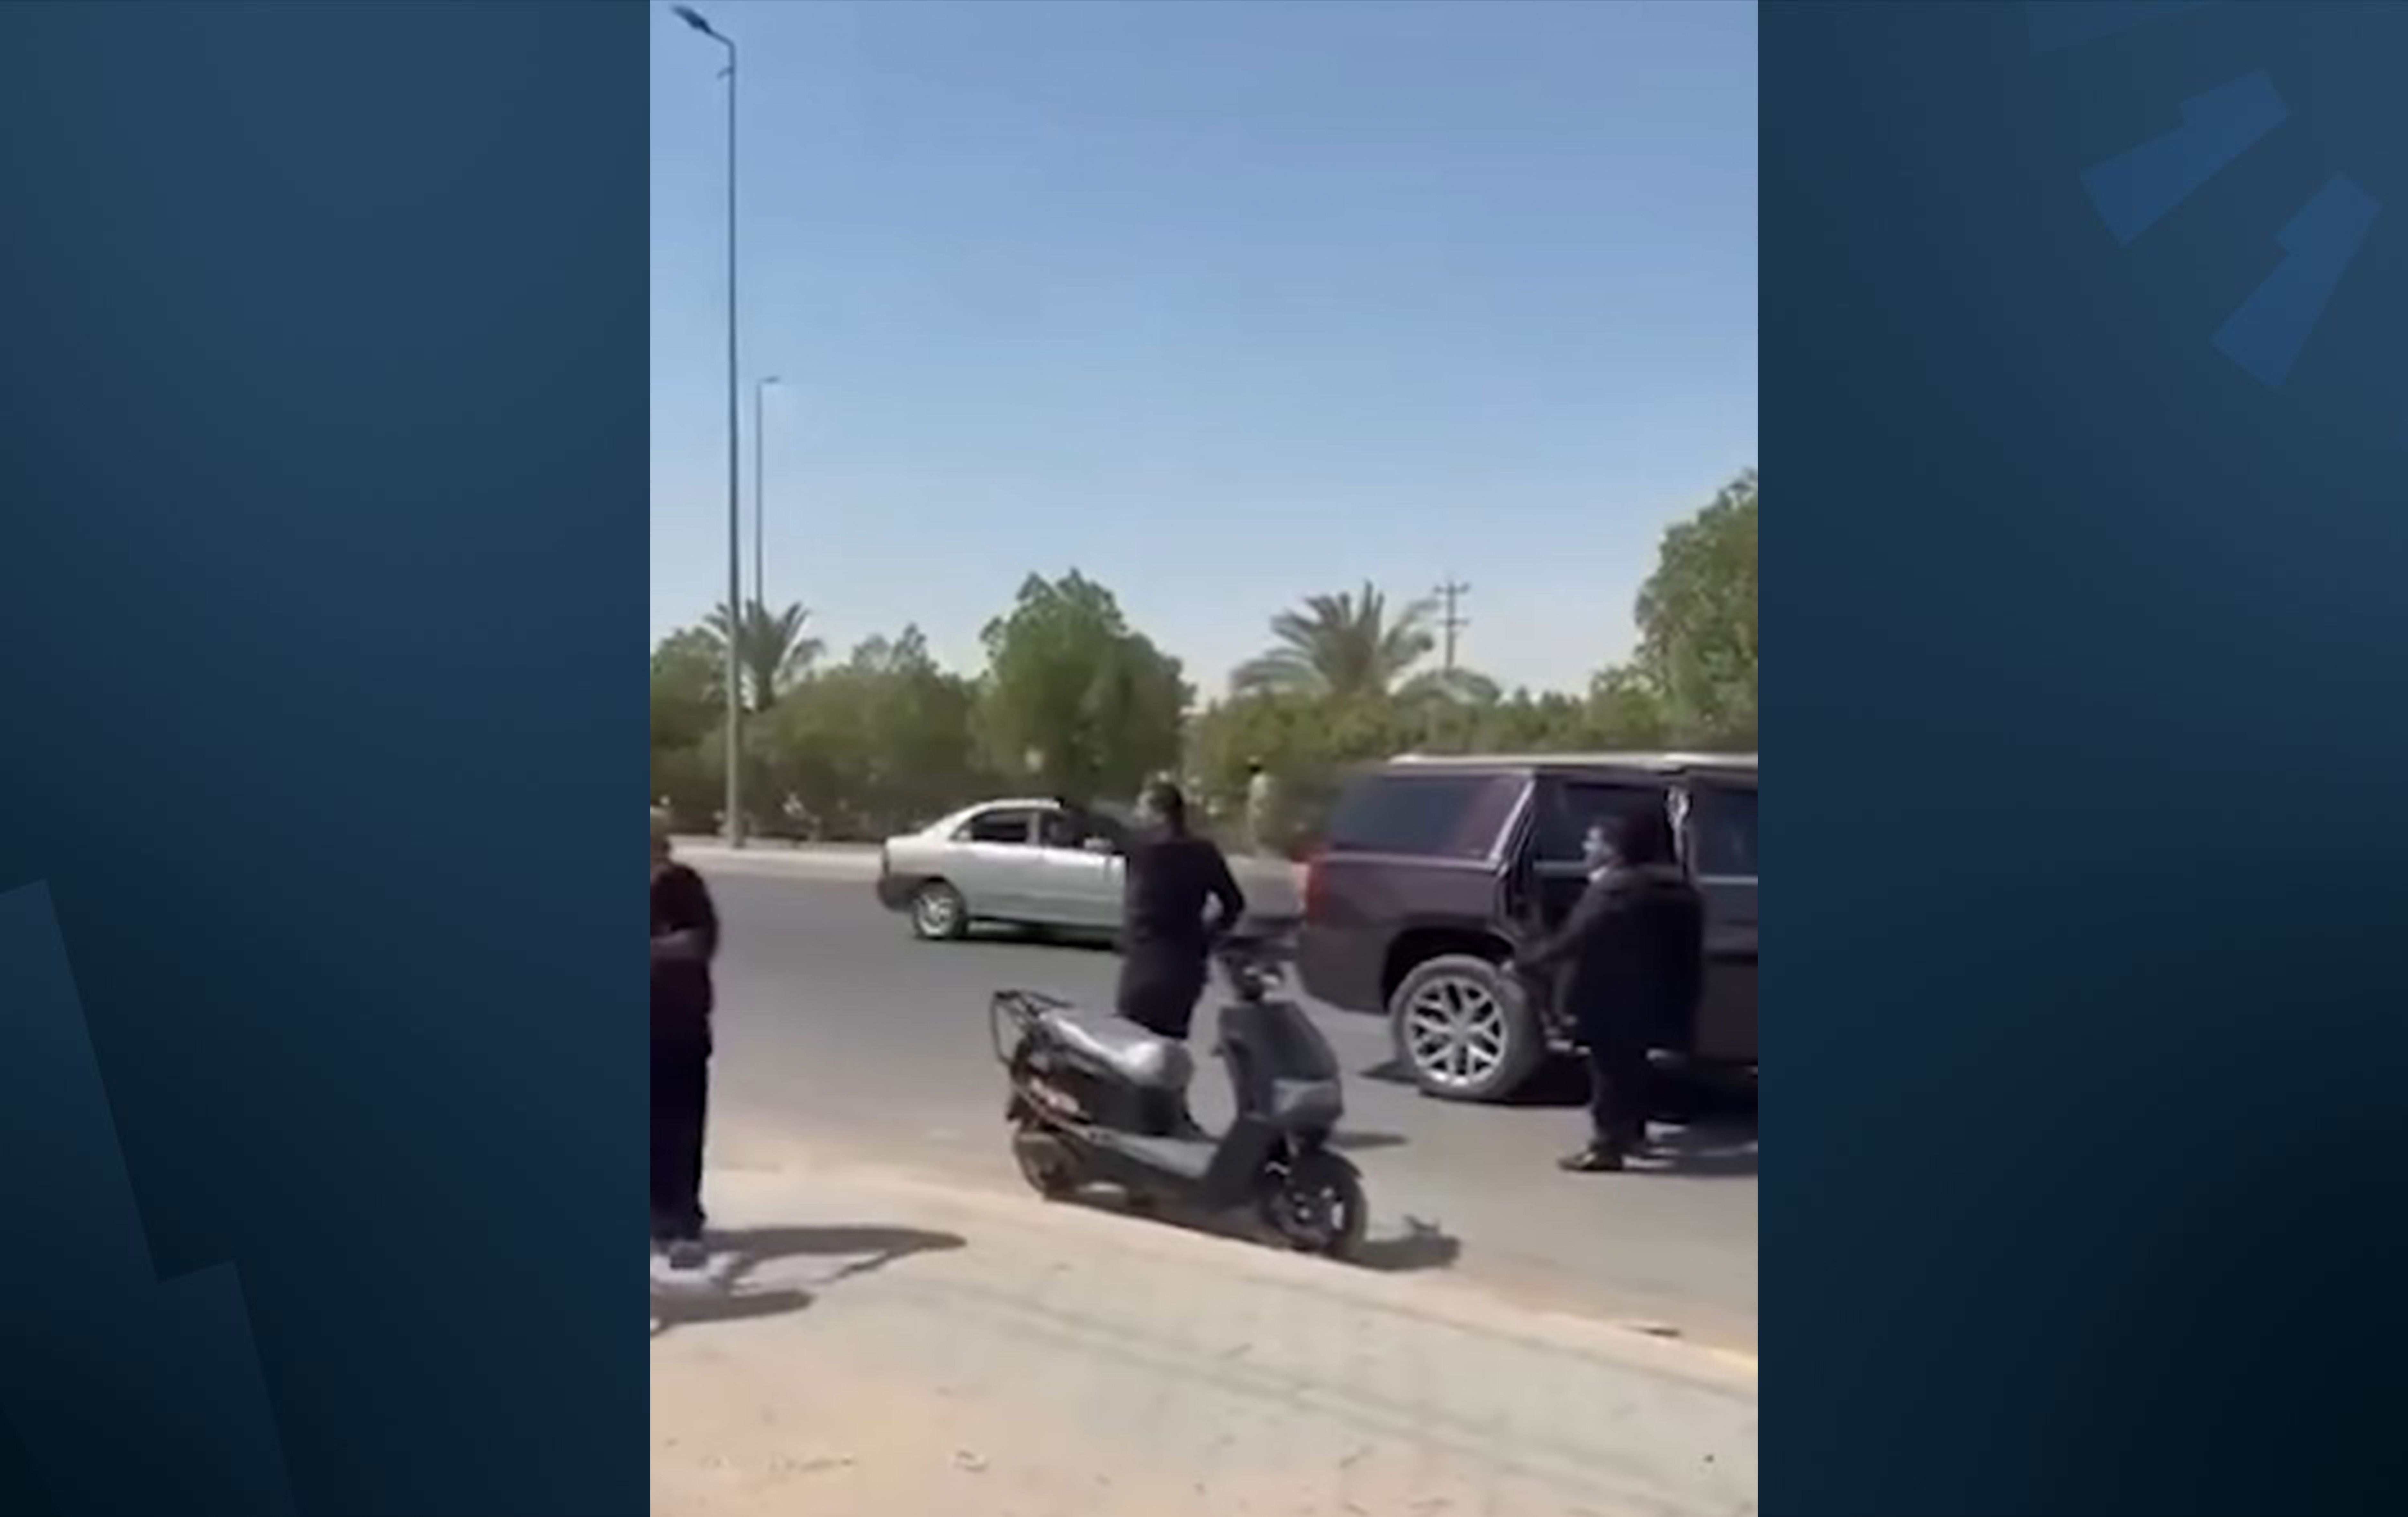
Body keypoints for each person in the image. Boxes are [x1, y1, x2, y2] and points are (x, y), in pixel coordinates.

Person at [1516, 805, 1705, 1173]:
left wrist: (1527, 961)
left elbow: (1575, 939)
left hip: (1609, 996)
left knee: (1608, 1073)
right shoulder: (1677, 888)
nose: (1586, 847)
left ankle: (1606, 1147)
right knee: (1633, 1068)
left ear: (1614, 849)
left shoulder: (1612, 891)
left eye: (1593, 840)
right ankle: (1633, 1133)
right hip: (1657, 995)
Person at [1112, 779, 1247, 1042]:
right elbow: (1234, 904)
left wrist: (1128, 940)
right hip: (1185, 965)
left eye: (1143, 809)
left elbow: (1135, 908)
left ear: (1161, 816)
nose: (1137, 815)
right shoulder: (1203, 853)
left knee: (1132, 1043)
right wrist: (1207, 937)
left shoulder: (1142, 854)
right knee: (1170, 1042)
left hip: (1146, 963)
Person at [651, 807, 721, 1267]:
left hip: (678, 1023)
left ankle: (683, 1221)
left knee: (680, 1125)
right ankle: (656, 1214)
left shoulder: (681, 884)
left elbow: (700, 942)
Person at [1244, 760, 1278, 856]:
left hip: (1258, 808)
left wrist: (1258, 806)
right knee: (1263, 830)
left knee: (1257, 831)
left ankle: (1259, 851)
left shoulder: (1257, 781)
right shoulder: (1266, 779)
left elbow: (1259, 796)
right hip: (1264, 808)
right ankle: (1263, 851)